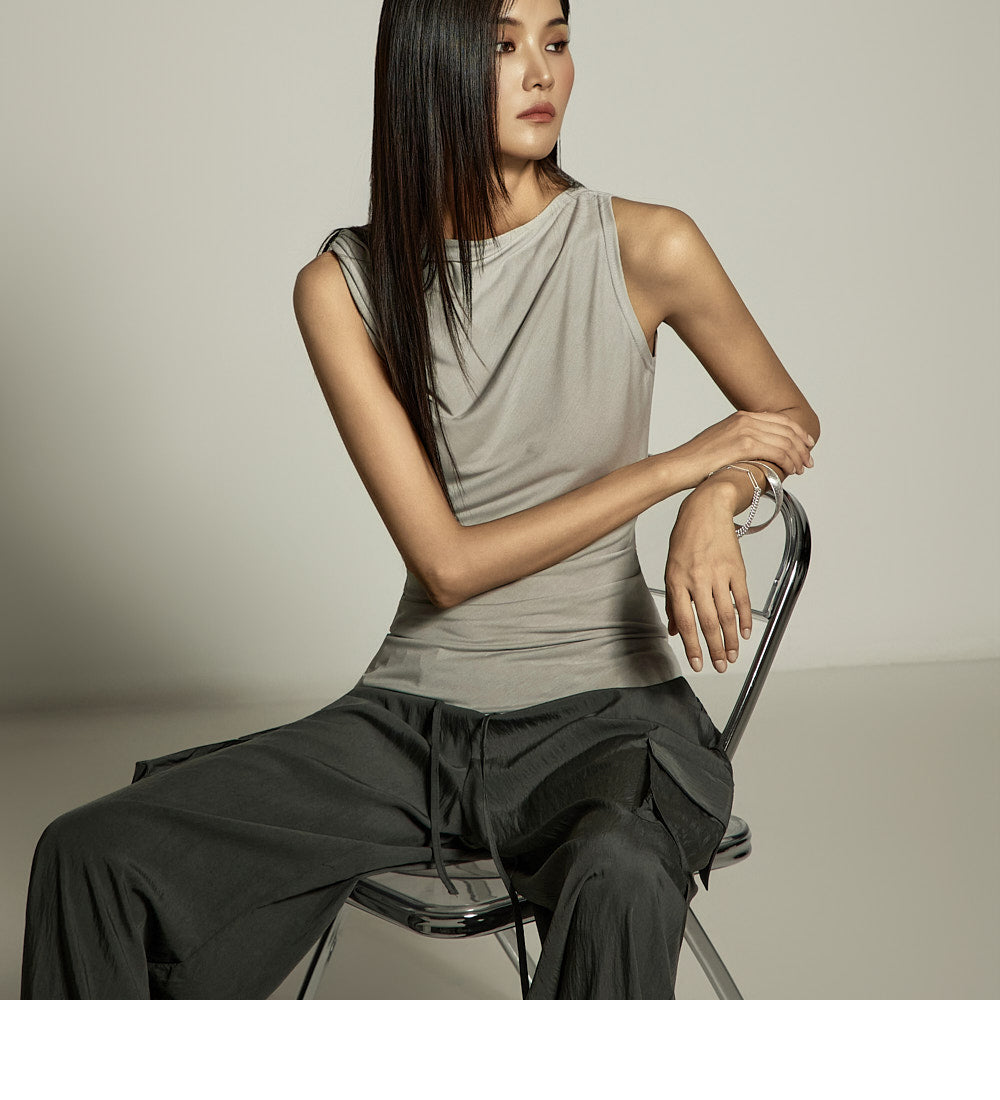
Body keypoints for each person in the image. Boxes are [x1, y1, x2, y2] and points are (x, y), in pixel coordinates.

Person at [20, 0, 819, 1000]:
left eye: (557, 40)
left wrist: (718, 494)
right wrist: (674, 469)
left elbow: (783, 414)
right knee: (89, 852)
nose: (542, 71)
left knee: (621, 873)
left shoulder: (646, 244)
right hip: (409, 726)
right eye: (503, 45)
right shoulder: (343, 286)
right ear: (430, 66)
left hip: (609, 721)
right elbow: (447, 564)